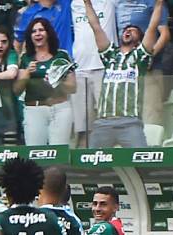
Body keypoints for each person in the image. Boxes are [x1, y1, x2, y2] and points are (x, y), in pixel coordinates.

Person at [83, 0, 164, 148]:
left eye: (133, 30)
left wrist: (158, 4)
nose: (127, 31)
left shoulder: (141, 57)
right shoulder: (110, 55)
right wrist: (87, 3)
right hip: (103, 122)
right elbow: (96, 27)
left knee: (141, 161)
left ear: (139, 40)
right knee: (92, 164)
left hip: (130, 123)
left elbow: (152, 27)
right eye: (126, 29)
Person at [14, 17, 76, 146]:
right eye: (34, 31)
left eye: (41, 30)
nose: (37, 34)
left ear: (48, 33)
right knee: (34, 153)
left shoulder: (62, 56)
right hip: (34, 110)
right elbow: (16, 90)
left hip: (60, 109)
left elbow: (72, 87)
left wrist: (56, 81)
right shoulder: (25, 58)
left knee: (58, 155)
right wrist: (26, 74)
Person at [69, 0, 116, 147]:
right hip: (80, 69)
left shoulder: (110, 2)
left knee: (110, 121)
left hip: (104, 68)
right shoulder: (73, 4)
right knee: (83, 128)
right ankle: (84, 166)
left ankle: (110, 162)